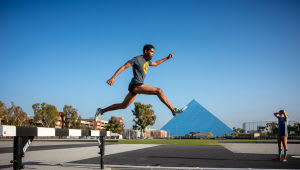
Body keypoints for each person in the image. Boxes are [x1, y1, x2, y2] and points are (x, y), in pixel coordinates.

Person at [95, 44, 186, 120]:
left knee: (123, 106)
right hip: (136, 85)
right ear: (146, 51)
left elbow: (156, 63)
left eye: (154, 52)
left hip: (136, 88)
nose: (153, 54)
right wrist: (113, 77)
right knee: (159, 91)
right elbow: (124, 66)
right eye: (152, 52)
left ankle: (101, 111)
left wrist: (167, 58)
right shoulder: (137, 59)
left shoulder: (147, 61)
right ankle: (173, 110)